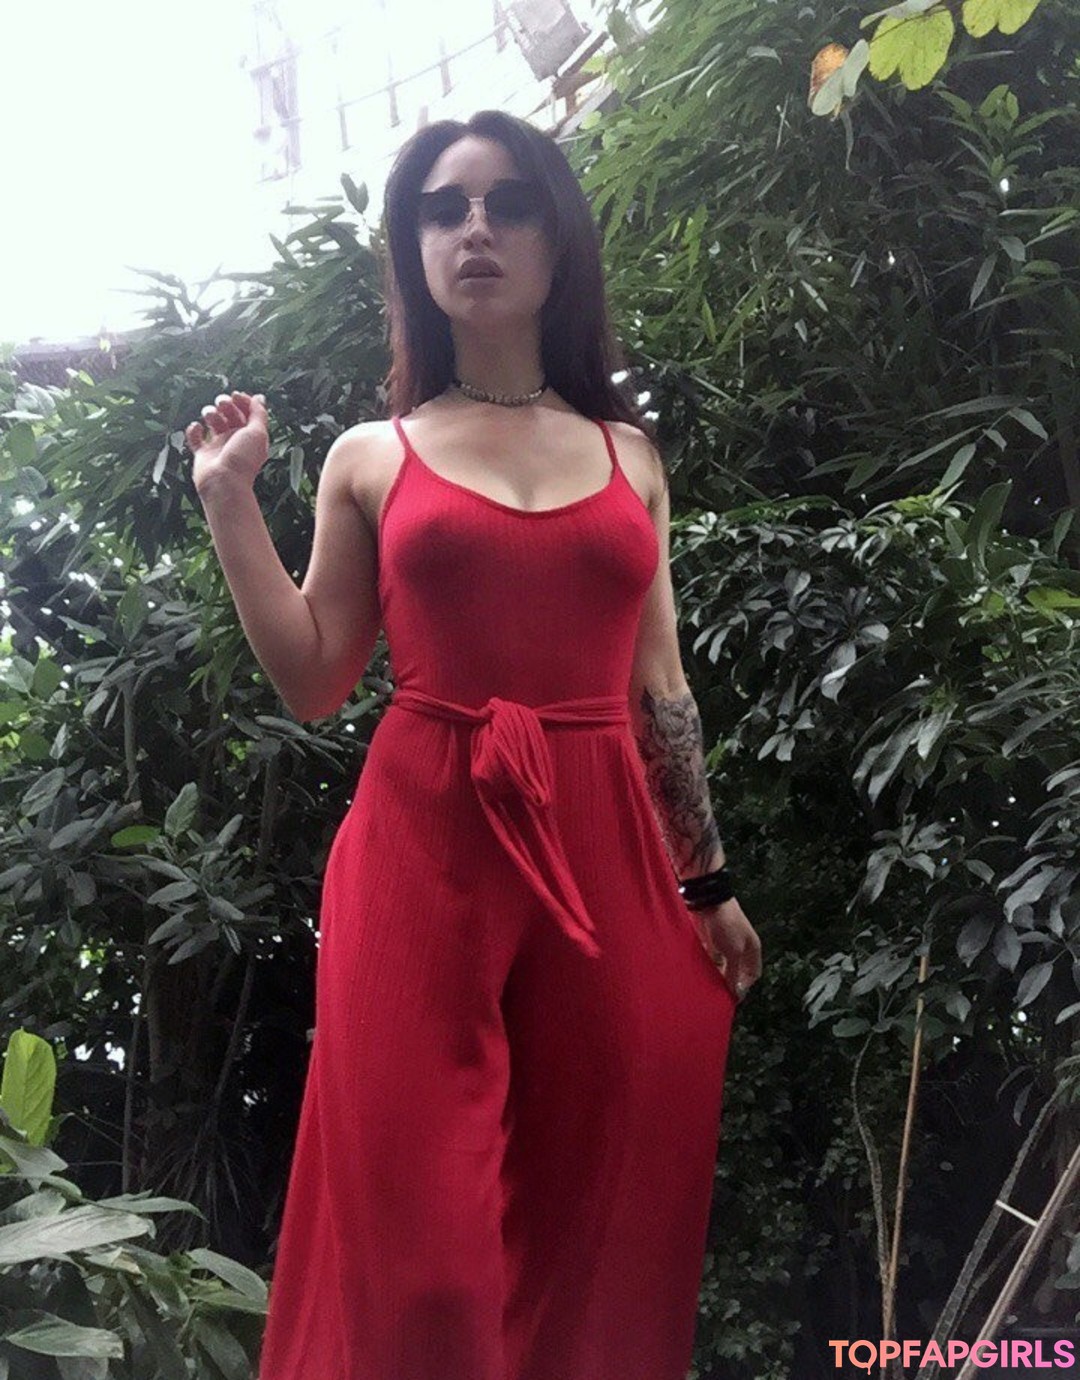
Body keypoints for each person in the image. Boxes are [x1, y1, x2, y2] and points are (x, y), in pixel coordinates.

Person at [184, 107, 761, 1380]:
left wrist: (707, 880)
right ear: (415, 251)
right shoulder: (370, 457)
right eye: (444, 209)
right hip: (425, 842)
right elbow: (316, 678)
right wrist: (230, 502)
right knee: (424, 1254)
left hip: (601, 841)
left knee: (591, 1211)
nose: (476, 228)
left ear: (559, 243)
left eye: (509, 203)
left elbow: (660, 686)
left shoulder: (629, 457)